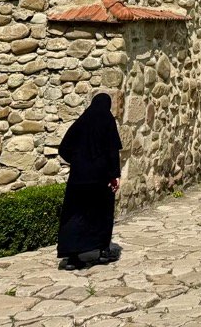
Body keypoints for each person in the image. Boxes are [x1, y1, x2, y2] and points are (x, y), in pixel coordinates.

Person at [57, 93, 122, 271]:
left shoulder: (82, 121)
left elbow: (64, 148)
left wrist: (79, 162)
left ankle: (72, 257)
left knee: (75, 215)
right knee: (101, 214)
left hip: (79, 178)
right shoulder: (108, 121)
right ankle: (102, 251)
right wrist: (115, 175)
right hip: (101, 179)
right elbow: (112, 150)